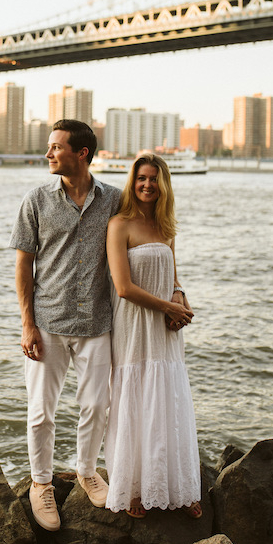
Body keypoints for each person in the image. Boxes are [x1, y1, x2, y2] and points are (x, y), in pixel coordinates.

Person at [9, 119, 123, 531]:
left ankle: (87, 471)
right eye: (49, 146)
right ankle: (41, 484)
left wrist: (175, 288)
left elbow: (146, 241)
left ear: (82, 154)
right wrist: (27, 324)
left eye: (56, 147)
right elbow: (23, 265)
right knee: (41, 412)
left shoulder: (114, 200)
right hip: (48, 323)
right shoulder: (36, 200)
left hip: (96, 322)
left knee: (97, 406)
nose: (48, 154)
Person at [104, 154, 201, 519]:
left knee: (169, 400)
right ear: (133, 181)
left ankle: (180, 486)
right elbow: (124, 287)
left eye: (154, 179)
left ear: (164, 184)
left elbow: (175, 276)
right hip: (133, 327)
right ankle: (132, 489)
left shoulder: (166, 227)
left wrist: (180, 299)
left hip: (165, 329)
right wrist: (168, 307)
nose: (147, 185)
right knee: (136, 400)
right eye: (142, 178)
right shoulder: (119, 225)